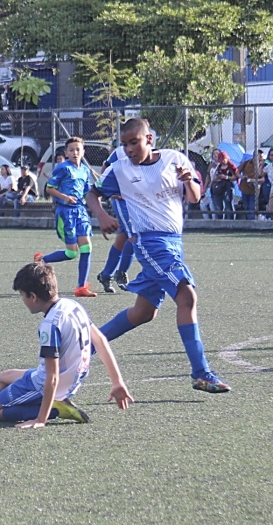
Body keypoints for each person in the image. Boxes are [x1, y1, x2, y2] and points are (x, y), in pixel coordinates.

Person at [85, 117, 231, 393]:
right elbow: (92, 194)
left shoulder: (175, 159)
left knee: (143, 313)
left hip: (173, 242)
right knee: (186, 295)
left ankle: (87, 345)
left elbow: (195, 197)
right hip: (149, 243)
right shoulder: (119, 170)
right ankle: (201, 373)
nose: (128, 149)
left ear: (149, 139)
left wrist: (190, 183)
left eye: (134, 142)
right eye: (124, 144)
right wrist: (102, 215)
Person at [0, 262, 133, 425]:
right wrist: (117, 382)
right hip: (72, 377)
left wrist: (41, 419)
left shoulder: (50, 325)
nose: (22, 300)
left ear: (32, 296)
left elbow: (52, 376)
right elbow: (101, 340)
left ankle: (56, 410)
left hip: (53, 383)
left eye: (22, 295)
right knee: (5, 377)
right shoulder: (71, 305)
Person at [34, 137, 98, 298]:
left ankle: (81, 287)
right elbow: (49, 188)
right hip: (66, 212)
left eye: (78, 149)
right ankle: (42, 259)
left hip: (80, 211)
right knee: (71, 253)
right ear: (66, 153)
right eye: (71, 150)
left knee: (87, 248)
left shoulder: (84, 170)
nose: (75, 153)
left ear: (83, 152)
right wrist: (65, 197)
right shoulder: (63, 168)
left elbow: (86, 192)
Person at [96, 146, 134, 293]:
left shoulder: (149, 151)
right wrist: (112, 190)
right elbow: (105, 168)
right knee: (134, 236)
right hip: (122, 199)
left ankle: (106, 274)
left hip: (136, 200)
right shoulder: (120, 152)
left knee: (124, 237)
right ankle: (121, 272)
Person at [210, 150, 237, 220]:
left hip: (228, 186)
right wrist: (217, 177)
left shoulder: (231, 166)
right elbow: (213, 178)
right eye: (221, 159)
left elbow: (235, 177)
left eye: (224, 159)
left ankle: (231, 222)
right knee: (219, 207)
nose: (223, 161)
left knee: (228, 205)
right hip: (219, 187)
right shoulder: (218, 167)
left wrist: (226, 177)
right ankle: (220, 222)